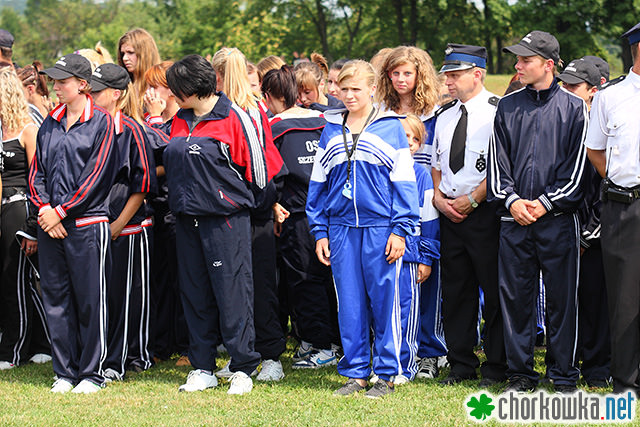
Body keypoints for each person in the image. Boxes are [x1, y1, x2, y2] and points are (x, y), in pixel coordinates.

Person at [163, 54, 277, 394]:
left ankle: (243, 365)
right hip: (186, 220)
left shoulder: (234, 117)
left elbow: (259, 173)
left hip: (226, 222)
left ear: (193, 87)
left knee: (233, 293)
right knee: (195, 293)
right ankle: (202, 366)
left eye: (176, 88)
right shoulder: (179, 120)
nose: (171, 94)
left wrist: (232, 205)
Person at [306, 60, 419, 398]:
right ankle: (356, 372)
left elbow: (404, 182)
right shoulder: (329, 127)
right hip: (340, 229)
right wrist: (320, 231)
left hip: (381, 228)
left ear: (372, 89)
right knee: (350, 304)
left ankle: (387, 373)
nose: (350, 95)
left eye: (357, 89)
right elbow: (318, 185)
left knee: (386, 302)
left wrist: (400, 230)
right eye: (345, 89)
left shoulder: (390, 127)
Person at [487, 31, 588, 393]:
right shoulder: (507, 106)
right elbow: (497, 168)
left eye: (524, 60)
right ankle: (521, 375)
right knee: (516, 301)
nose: (517, 65)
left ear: (548, 64)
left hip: (559, 223)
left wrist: (545, 203)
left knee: (562, 301)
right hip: (514, 222)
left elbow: (578, 173)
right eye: (517, 59)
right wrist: (512, 200)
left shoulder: (575, 108)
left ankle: (562, 375)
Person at [30, 53, 118, 393]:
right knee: (56, 298)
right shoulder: (49, 122)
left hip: (86, 225)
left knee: (90, 300)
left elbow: (96, 176)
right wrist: (46, 210)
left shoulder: (102, 122)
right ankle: (64, 372)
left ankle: (92, 373)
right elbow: (37, 173)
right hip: (51, 224)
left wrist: (61, 211)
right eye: (53, 80)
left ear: (83, 85)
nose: (55, 86)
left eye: (62, 81)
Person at [431, 44, 507, 387]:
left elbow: (504, 167)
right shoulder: (444, 116)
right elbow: (436, 164)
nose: (448, 80)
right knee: (456, 291)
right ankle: (460, 363)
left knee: (493, 291)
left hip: (484, 214)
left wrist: (474, 200)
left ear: (478, 73)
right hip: (449, 212)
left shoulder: (499, 112)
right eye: (447, 73)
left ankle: (495, 365)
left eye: (455, 74)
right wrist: (438, 196)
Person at [211, 47, 287, 382]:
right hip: (231, 208)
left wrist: (267, 202)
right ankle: (243, 352)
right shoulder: (220, 108)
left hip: (253, 208)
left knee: (259, 283)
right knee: (234, 286)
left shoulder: (251, 110)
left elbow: (263, 163)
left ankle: (271, 356)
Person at [261, 65, 339, 370]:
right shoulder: (325, 120)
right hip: (333, 211)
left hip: (297, 216)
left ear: (270, 96)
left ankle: (322, 345)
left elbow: (270, 174)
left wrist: (272, 204)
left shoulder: (274, 127)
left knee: (305, 280)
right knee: (332, 279)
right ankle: (325, 341)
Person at [376, 45, 447, 377]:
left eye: (409, 73)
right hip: (389, 208)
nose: (402, 79)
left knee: (427, 280)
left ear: (420, 76)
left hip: (427, 205)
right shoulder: (380, 112)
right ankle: (396, 348)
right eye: (396, 73)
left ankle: (431, 350)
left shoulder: (436, 114)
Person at [89, 63, 156, 381]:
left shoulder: (132, 130)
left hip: (127, 228)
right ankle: (103, 356)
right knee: (102, 297)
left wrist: (117, 225)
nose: (91, 94)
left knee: (126, 296)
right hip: (94, 228)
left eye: (97, 90)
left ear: (116, 94)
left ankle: (128, 358)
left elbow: (142, 187)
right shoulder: (88, 128)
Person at [584, 22, 640, 395]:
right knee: (625, 299)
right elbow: (596, 151)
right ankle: (628, 383)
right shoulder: (611, 96)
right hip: (626, 207)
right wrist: (623, 183)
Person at [558, 57, 611, 389]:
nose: (566, 91)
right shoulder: (564, 121)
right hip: (562, 228)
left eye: (574, 86)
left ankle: (597, 366)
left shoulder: (603, 125)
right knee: (567, 300)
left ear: (596, 89)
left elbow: (604, 186)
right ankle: (569, 359)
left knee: (595, 301)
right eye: (563, 83)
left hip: (594, 233)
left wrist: (587, 233)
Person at [0, 68, 50, 370]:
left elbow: (38, 178)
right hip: (2, 206)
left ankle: (14, 350)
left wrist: (32, 228)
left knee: (16, 279)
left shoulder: (27, 129)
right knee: (15, 280)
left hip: (19, 207)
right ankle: (40, 341)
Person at [142, 61, 189, 365]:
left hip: (178, 209)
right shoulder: (151, 122)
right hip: (155, 208)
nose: (149, 93)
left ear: (170, 90)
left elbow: (171, 157)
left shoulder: (182, 121)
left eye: (154, 86)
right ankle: (161, 344)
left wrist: (156, 119)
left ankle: (187, 346)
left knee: (184, 280)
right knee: (159, 279)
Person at [392, 113, 440, 384]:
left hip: (411, 253)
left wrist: (427, 257)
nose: (409, 143)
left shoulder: (421, 174)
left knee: (406, 310)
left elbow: (429, 219)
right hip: (384, 252)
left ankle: (405, 364)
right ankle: (386, 360)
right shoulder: (381, 169)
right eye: (403, 137)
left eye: (415, 138)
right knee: (384, 310)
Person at [117, 28, 161, 114]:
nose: (125, 58)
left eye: (130, 52)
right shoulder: (122, 86)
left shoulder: (161, 87)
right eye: (123, 54)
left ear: (145, 53)